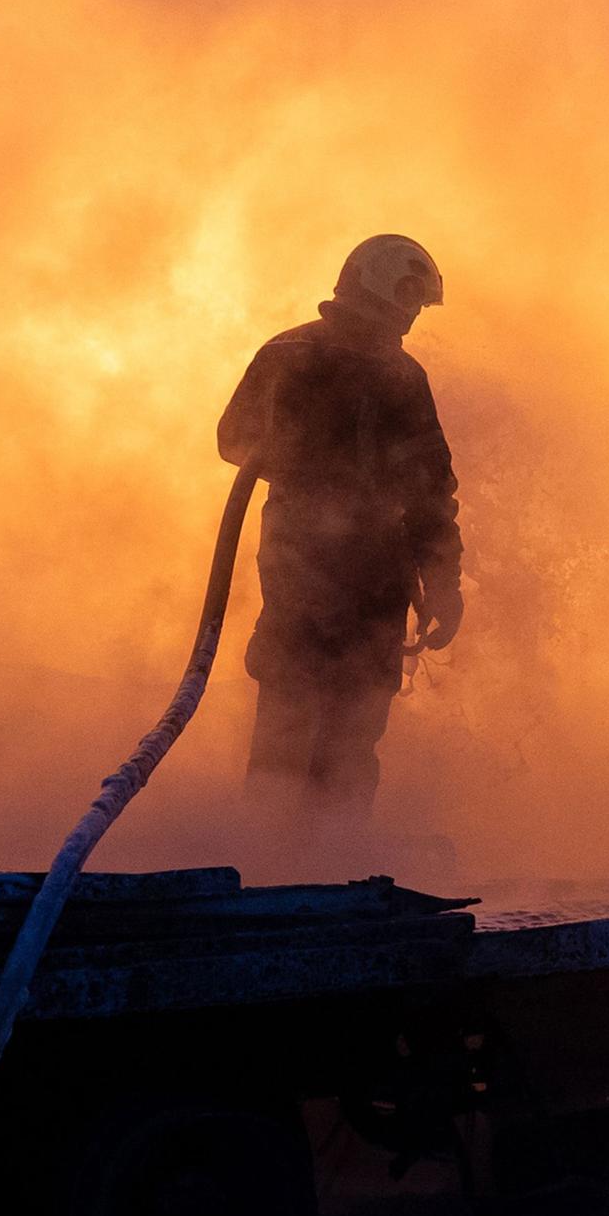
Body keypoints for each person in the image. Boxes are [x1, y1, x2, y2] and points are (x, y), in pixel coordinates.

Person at [217, 234, 464, 817]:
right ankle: (288, 863)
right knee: (308, 723)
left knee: (329, 729)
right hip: (322, 572)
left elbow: (429, 491)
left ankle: (311, 863)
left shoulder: (374, 367)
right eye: (409, 297)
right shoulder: (309, 356)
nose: (410, 316)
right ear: (379, 283)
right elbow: (236, 441)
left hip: (344, 574)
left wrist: (444, 582)